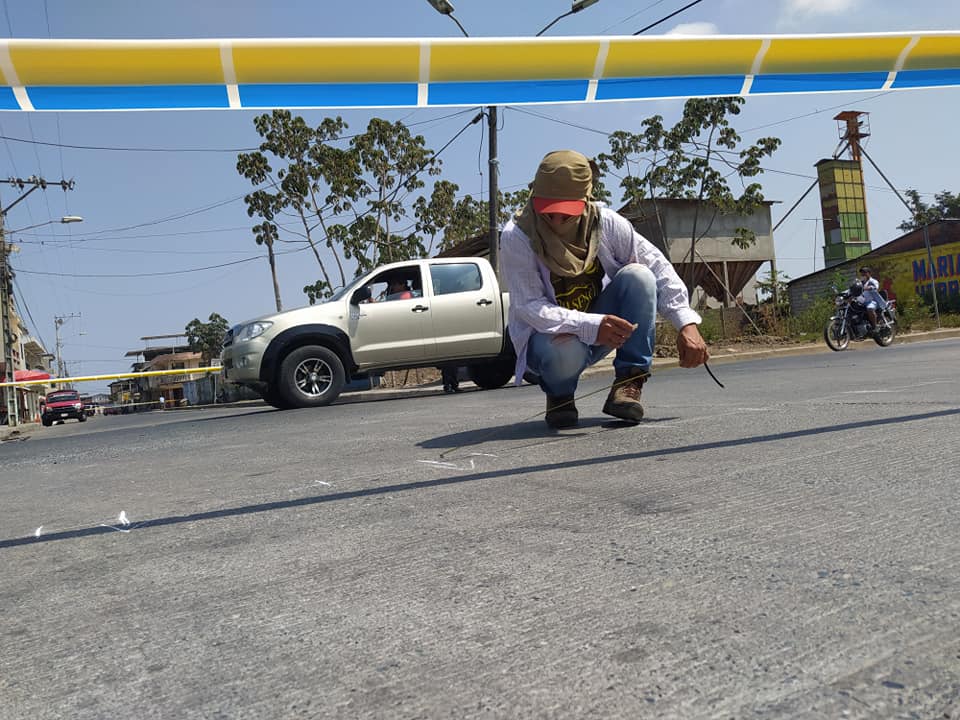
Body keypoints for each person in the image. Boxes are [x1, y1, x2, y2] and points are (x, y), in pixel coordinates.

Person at [499, 149, 709, 429]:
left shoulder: (606, 223)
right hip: (549, 344)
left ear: (585, 200)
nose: (557, 222)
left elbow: (658, 268)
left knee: (639, 276)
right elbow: (530, 307)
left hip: (601, 330)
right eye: (548, 212)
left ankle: (628, 382)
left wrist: (686, 324)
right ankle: (560, 393)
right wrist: (592, 326)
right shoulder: (517, 236)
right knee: (565, 350)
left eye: (567, 214)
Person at [856, 266, 887, 331]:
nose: (863, 274)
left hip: (872, 301)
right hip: (862, 302)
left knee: (870, 308)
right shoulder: (860, 282)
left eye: (864, 273)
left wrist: (869, 287)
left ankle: (875, 327)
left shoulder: (873, 281)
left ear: (869, 273)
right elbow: (853, 288)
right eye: (861, 273)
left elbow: (875, 287)